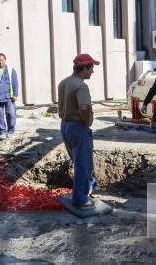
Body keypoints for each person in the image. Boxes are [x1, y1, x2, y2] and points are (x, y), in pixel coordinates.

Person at [58, 53, 100, 208]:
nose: (93, 72)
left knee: (79, 161)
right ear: (85, 68)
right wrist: (88, 120)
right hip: (78, 127)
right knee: (83, 164)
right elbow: (84, 107)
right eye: (92, 68)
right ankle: (81, 199)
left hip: (65, 126)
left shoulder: (64, 82)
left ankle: (88, 185)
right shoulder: (81, 86)